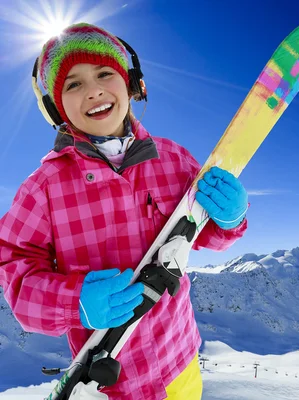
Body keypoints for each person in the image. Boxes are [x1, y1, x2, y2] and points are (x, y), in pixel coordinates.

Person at [0, 22, 249, 399]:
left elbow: (200, 232)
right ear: (57, 108)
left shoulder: (174, 159)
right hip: (115, 386)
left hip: (180, 363)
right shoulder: (44, 189)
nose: (94, 90)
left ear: (131, 84)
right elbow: (16, 279)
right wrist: (75, 301)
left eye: (104, 73)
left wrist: (229, 219)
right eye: (73, 84)